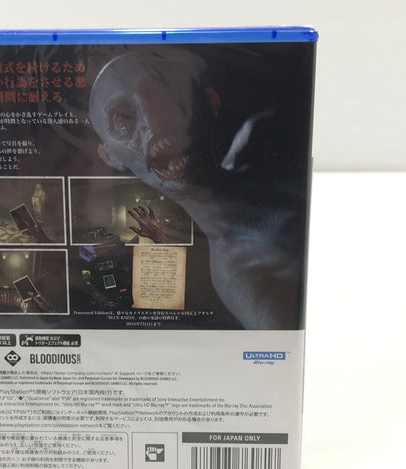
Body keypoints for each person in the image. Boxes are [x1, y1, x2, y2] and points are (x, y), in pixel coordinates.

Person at [89, 48, 308, 329]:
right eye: (123, 120)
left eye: (165, 95)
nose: (153, 122)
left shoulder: (270, 134)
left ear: (210, 101)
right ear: (110, 156)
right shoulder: (242, 272)